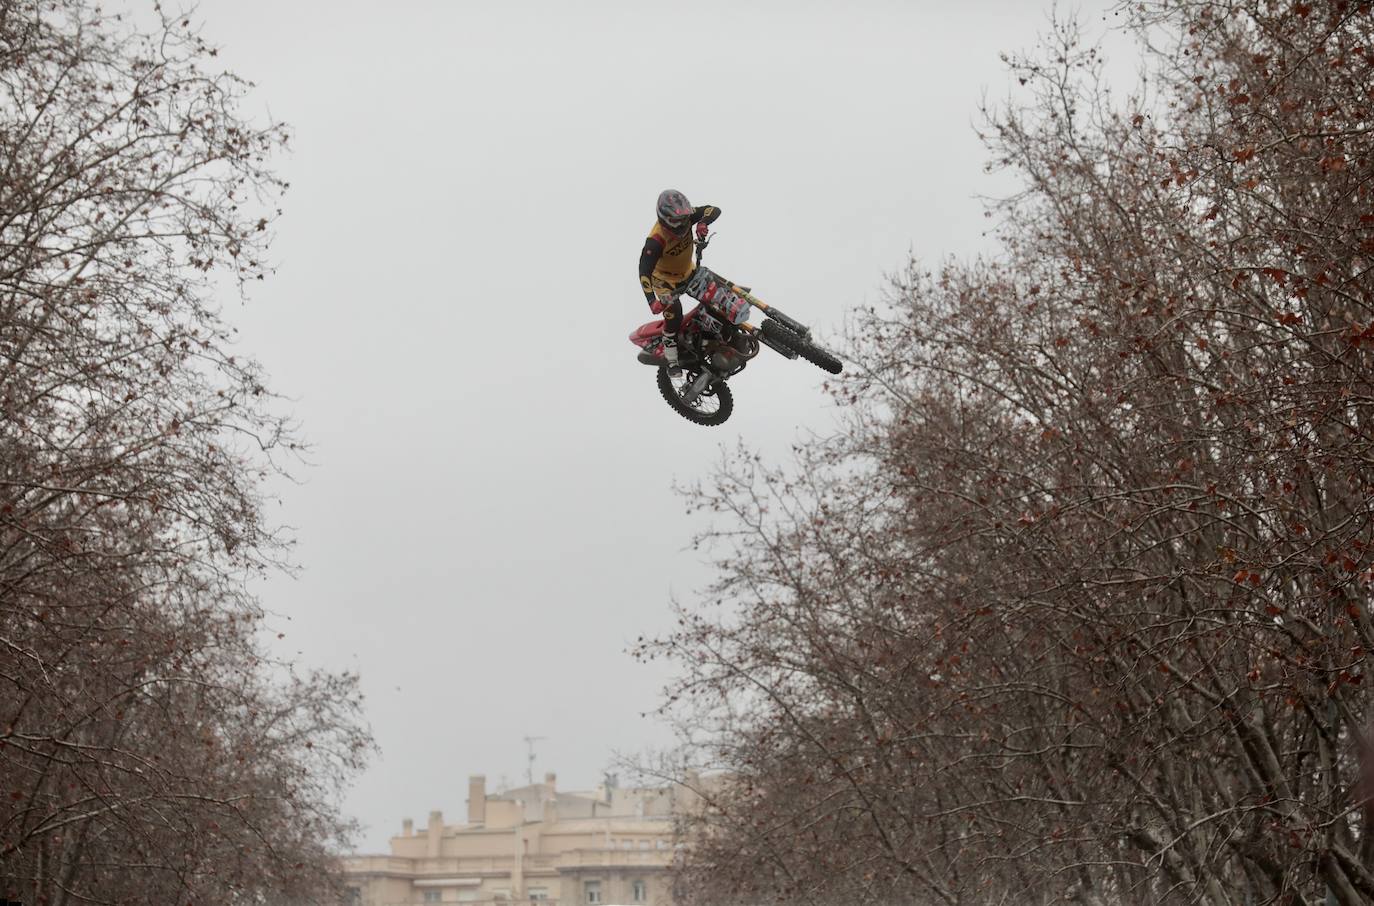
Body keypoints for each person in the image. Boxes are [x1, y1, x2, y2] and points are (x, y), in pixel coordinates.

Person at [637, 189, 729, 373]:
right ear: (664, 219)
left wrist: (702, 222)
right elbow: (643, 270)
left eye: (684, 220)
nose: (682, 225)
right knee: (674, 313)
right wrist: (652, 300)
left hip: (689, 271)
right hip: (665, 282)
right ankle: (671, 358)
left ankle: (715, 332)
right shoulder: (656, 240)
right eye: (676, 221)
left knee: (718, 294)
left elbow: (714, 209)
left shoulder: (687, 216)